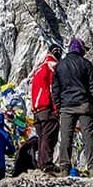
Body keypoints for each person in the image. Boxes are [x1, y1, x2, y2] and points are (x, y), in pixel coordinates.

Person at [51, 38, 93, 176]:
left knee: (66, 137)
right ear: (80, 49)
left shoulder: (60, 66)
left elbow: (55, 89)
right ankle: (92, 168)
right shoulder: (86, 64)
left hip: (66, 106)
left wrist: (59, 105)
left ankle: (64, 168)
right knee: (88, 137)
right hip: (84, 105)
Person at [31, 45, 62, 174]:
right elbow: (52, 88)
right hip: (47, 107)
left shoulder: (38, 69)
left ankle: (41, 163)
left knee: (41, 138)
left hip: (37, 109)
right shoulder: (52, 65)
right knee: (49, 137)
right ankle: (46, 164)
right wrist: (57, 108)